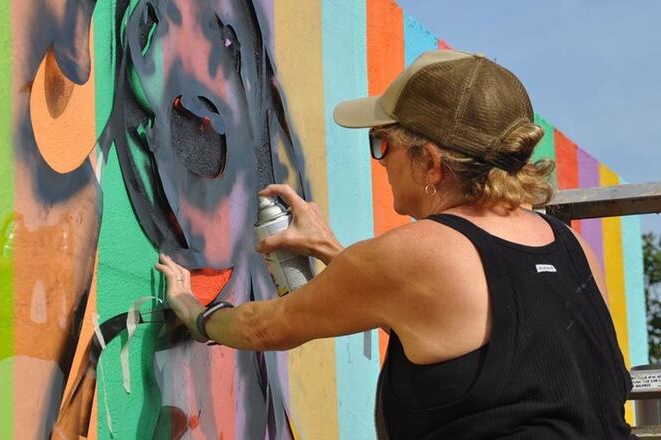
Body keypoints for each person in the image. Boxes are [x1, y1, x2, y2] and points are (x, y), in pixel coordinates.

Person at [155, 49, 634, 439]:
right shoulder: (572, 248)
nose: (380, 162)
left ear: (430, 162)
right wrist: (333, 252)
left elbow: (266, 329)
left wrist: (195, 313)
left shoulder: (417, 254)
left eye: (383, 144)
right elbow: (457, 325)